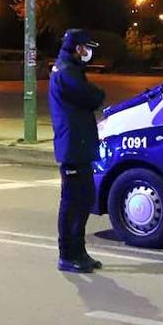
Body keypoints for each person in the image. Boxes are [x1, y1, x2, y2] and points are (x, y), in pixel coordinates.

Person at [49, 28, 106, 273]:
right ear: (77, 48)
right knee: (73, 202)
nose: (89, 53)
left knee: (84, 199)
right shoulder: (67, 72)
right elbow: (92, 97)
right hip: (73, 145)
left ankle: (79, 251)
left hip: (78, 144)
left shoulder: (71, 69)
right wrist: (98, 93)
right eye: (87, 48)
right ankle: (67, 254)